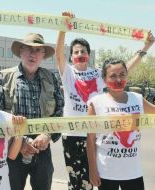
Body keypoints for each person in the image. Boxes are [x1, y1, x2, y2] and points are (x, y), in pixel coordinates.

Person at [55, 11, 155, 190]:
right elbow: (58, 55)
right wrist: (63, 27)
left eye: (83, 51)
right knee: (78, 185)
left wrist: (145, 48)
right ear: (70, 57)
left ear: (89, 54)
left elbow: (126, 68)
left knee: (99, 180)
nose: (80, 54)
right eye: (76, 52)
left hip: (96, 136)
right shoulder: (68, 73)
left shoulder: (98, 74)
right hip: (72, 135)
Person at [0, 33, 64, 190]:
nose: (33, 54)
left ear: (43, 55)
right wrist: (20, 141)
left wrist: (47, 135)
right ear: (21, 51)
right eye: (29, 49)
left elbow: (59, 111)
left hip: (42, 148)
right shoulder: (3, 77)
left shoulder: (51, 78)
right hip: (13, 149)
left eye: (38, 50)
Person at [86, 58, 155, 190]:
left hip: (133, 172)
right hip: (106, 172)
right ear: (105, 79)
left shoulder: (138, 99)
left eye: (122, 75)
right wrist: (92, 171)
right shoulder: (96, 103)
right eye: (113, 76)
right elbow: (90, 140)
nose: (118, 80)